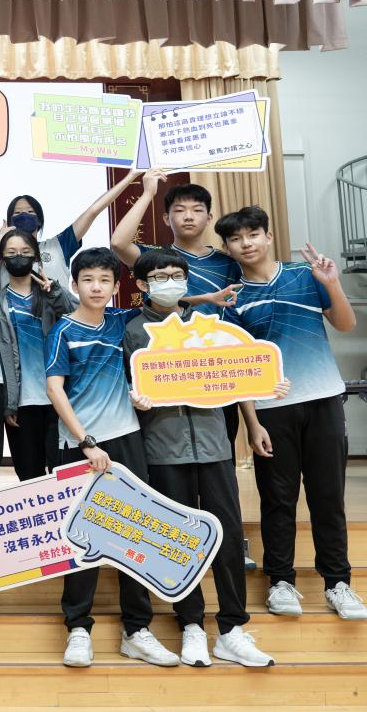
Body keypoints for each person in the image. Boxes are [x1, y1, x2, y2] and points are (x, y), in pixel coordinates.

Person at [122, 249, 279, 667]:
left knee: (227, 534)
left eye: (177, 275)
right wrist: (135, 400)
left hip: (214, 445)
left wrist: (254, 419)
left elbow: (238, 376)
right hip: (162, 449)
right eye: (160, 277)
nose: (170, 283)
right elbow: (125, 385)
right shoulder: (133, 331)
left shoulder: (212, 325)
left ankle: (232, 629)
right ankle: (191, 623)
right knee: (179, 539)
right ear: (142, 285)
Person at [216, 207, 366, 620]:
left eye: (253, 234)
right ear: (227, 248)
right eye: (236, 239)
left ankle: (338, 584)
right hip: (270, 410)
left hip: (324, 401)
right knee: (277, 501)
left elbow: (345, 324)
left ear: (268, 236)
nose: (246, 243)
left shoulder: (305, 274)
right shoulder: (233, 298)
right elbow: (240, 368)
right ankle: (280, 582)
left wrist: (332, 284)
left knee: (328, 498)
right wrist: (252, 424)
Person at [45, 247, 178, 669]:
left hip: (127, 439)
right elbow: (54, 390)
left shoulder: (122, 322)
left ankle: (136, 629)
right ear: (74, 284)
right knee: (81, 534)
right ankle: (78, 628)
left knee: (134, 531)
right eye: (88, 280)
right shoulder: (63, 330)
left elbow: (164, 311)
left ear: (116, 286)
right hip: (81, 444)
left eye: (104, 280)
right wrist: (86, 441)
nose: (96, 287)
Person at [0, 228, 73, 482]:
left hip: (57, 397)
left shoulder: (50, 292)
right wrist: (8, 403)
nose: (18, 257)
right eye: (11, 253)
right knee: (29, 475)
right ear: (2, 259)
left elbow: (74, 320)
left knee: (63, 472)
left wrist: (54, 292)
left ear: (35, 256)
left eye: (25, 252)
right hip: (20, 403)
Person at [0, 169, 142, 287]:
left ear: (39, 220)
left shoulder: (59, 245)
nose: (24, 215)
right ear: (10, 221)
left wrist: (130, 177)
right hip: (14, 327)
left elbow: (93, 211)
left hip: (58, 323)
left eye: (30, 212)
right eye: (18, 213)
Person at [110, 171, 243, 307]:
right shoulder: (153, 256)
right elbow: (118, 243)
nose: (188, 217)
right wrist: (148, 193)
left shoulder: (228, 263)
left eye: (197, 210)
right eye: (179, 210)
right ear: (166, 219)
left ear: (209, 218)